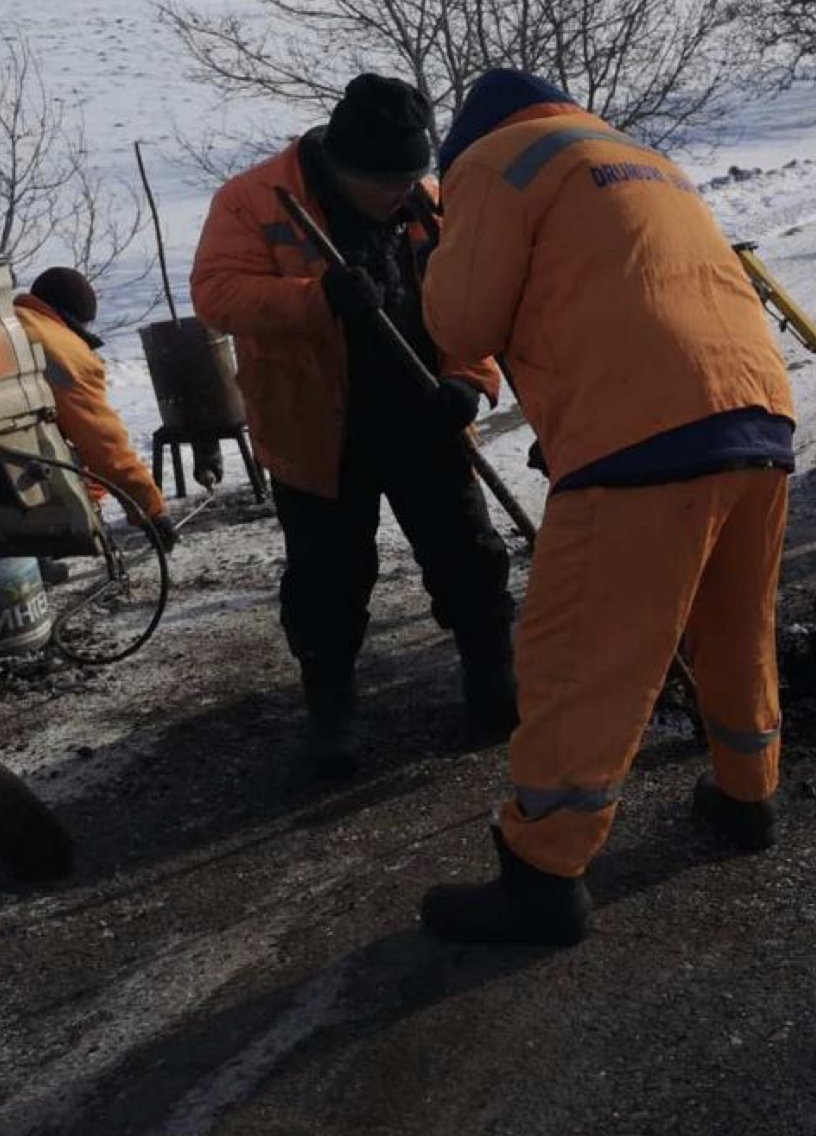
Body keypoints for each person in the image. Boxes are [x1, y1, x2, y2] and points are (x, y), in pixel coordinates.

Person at [418, 69, 796, 947]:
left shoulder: (493, 164)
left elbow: (463, 322)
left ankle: (542, 875)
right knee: (736, 624)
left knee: (582, 656)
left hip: (641, 436)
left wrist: (435, 255)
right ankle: (750, 798)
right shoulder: (638, 156)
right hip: (756, 413)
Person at [191, 74, 515, 782]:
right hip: (317, 429)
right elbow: (215, 295)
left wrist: (467, 378)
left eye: (413, 176)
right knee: (328, 579)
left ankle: (493, 678)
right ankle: (331, 708)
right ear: (347, 167)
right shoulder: (255, 200)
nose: (405, 193)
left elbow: (466, 295)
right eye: (389, 183)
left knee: (469, 554)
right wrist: (318, 299)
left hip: (421, 417)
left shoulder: (425, 205)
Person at [13, 268, 177, 550]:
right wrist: (151, 509)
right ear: (74, 322)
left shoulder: (11, 325)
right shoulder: (60, 346)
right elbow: (103, 443)